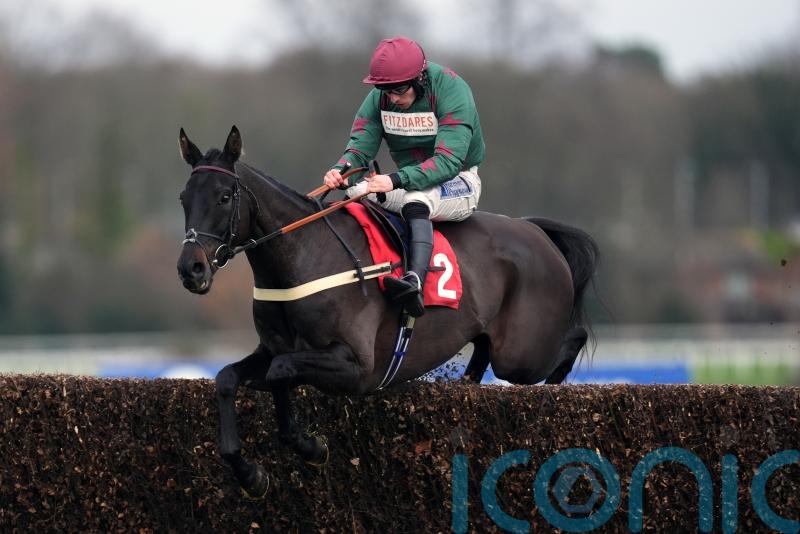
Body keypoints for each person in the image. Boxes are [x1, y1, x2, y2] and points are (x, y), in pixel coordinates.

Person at [323, 36, 485, 317]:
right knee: (355, 193)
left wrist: (395, 180)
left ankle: (415, 282)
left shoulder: (452, 90)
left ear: (420, 79)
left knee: (417, 198)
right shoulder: (381, 98)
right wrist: (341, 170)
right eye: (385, 91)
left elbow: (448, 162)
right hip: (408, 182)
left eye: (398, 90)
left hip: (458, 180)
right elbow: (359, 147)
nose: (393, 99)